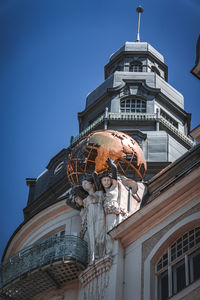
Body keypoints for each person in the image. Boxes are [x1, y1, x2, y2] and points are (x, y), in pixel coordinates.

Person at [81, 175, 106, 264]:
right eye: (82, 184)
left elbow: (96, 178)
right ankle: (93, 255)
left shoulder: (99, 193)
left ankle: (101, 253)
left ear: (92, 184)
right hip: (90, 217)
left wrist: (95, 174)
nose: (83, 185)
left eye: (85, 183)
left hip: (99, 214)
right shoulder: (86, 199)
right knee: (92, 236)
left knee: (99, 235)